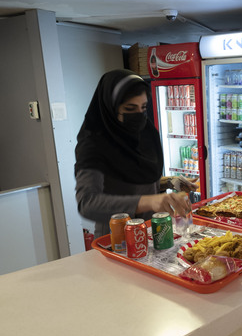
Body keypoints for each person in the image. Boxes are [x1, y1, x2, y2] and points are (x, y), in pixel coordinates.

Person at [75, 69, 196, 237]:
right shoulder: (94, 145)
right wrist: (149, 201)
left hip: (151, 231)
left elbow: (135, 182)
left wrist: (170, 182)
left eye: (143, 107)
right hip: (117, 238)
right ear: (111, 108)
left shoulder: (145, 134)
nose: (138, 115)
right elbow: (87, 203)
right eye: (130, 108)